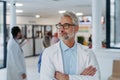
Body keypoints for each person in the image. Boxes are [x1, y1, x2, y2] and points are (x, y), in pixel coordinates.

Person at [40, 11, 101, 80]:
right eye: (60, 25)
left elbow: (96, 78)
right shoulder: (48, 53)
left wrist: (67, 78)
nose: (61, 29)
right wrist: (81, 77)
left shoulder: (88, 53)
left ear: (76, 28)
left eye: (66, 25)